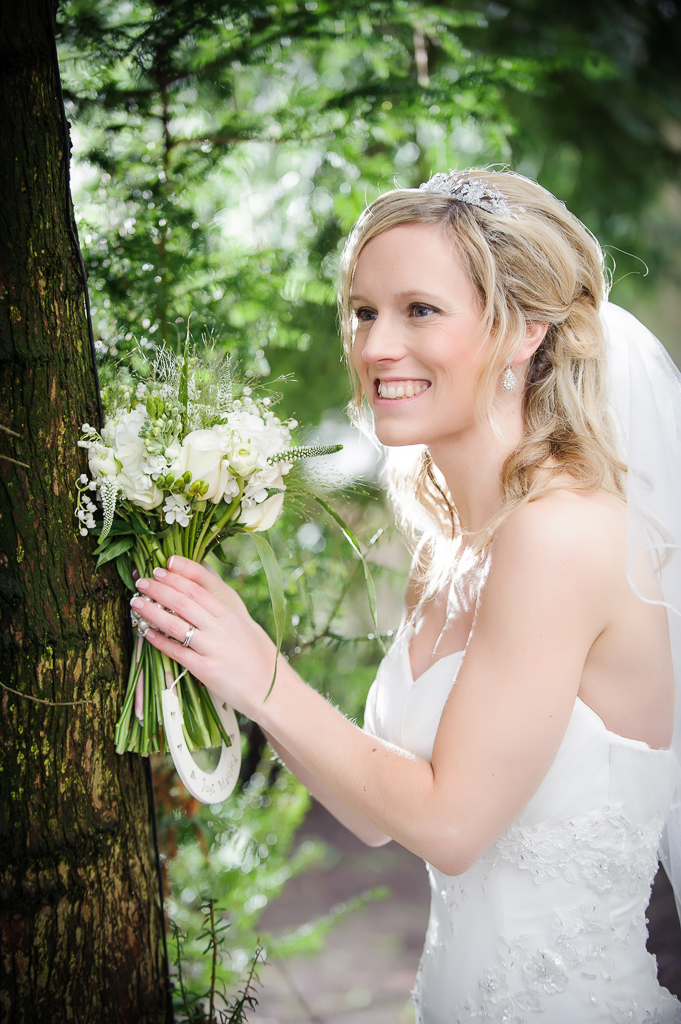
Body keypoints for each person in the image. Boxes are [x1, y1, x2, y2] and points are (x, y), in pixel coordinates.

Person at [131, 169, 681, 1023]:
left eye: (419, 310)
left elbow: (451, 828)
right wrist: (223, 663)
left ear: (525, 330)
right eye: (362, 312)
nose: (376, 345)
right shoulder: (449, 542)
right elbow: (381, 817)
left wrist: (262, 670)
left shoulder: (561, 532)